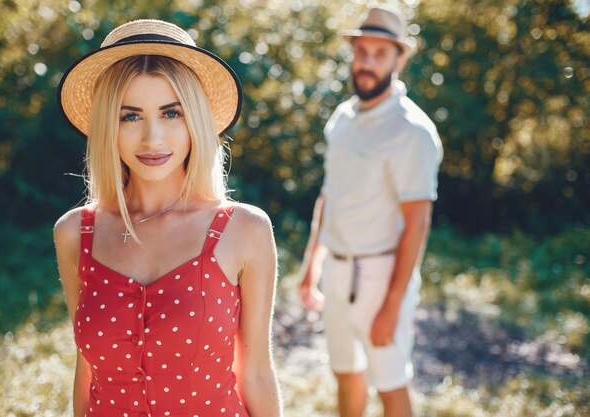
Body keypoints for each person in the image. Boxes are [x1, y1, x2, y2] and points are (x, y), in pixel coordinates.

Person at [53, 19, 282, 417]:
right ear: (109, 124)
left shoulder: (243, 230)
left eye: (171, 113)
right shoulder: (75, 233)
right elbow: (86, 371)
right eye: (130, 116)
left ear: (194, 119)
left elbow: (257, 373)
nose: (152, 138)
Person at [299, 6, 443, 417]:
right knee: (346, 374)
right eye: (362, 52)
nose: (367, 62)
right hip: (337, 269)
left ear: (399, 60)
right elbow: (329, 195)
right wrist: (312, 264)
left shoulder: (411, 131)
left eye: (380, 54)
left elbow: (417, 222)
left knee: (390, 383)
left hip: (382, 275)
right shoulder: (342, 118)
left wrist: (392, 305)